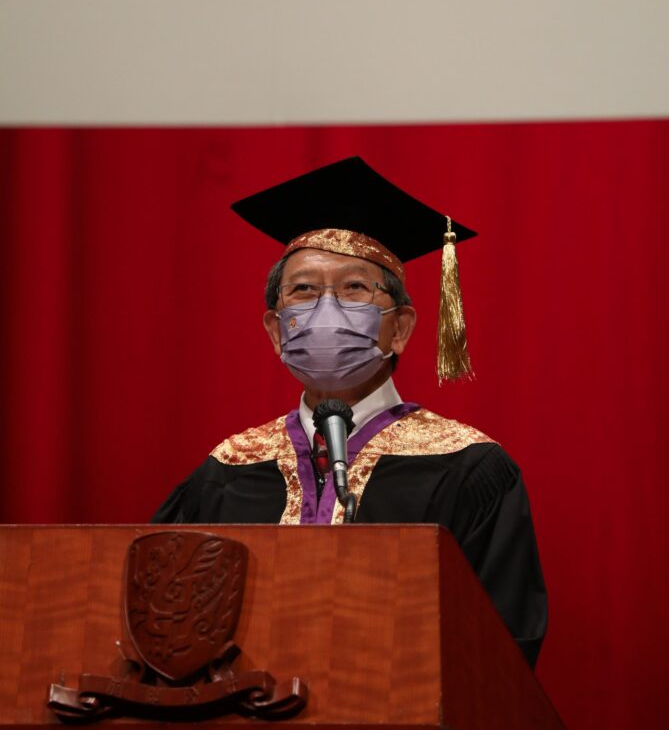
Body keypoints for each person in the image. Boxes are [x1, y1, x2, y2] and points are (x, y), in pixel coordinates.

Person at [152, 157, 547, 668]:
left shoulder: (468, 468)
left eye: (355, 289)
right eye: (304, 290)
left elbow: (500, 653)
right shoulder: (225, 471)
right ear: (277, 330)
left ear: (399, 327)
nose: (326, 309)